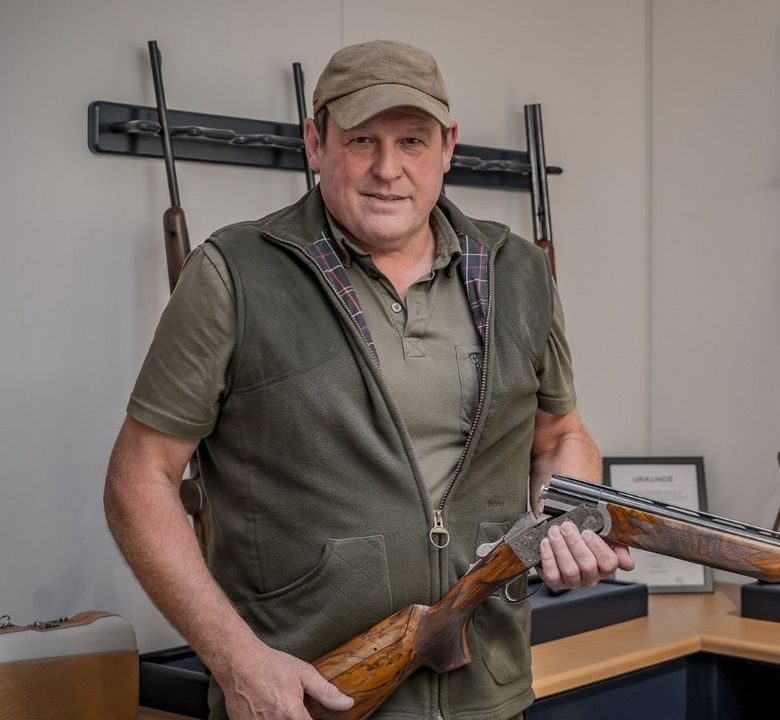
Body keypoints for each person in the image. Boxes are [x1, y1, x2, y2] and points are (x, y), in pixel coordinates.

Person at [104, 39, 631, 720]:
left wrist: (565, 518)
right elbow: (137, 481)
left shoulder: (519, 270)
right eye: (361, 141)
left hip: (489, 695)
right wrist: (237, 661)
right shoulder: (232, 273)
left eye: (412, 140)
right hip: (301, 701)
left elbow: (561, 435)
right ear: (315, 143)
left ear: (448, 147)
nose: (388, 169)